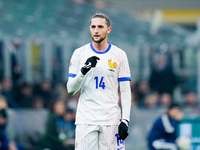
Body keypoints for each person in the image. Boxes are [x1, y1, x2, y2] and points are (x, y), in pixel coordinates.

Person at [67, 13, 132, 150]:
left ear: (108, 30)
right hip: (86, 120)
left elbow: (125, 90)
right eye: (93, 27)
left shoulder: (119, 55)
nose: (96, 30)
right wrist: (83, 71)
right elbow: (71, 89)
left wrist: (125, 120)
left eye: (100, 27)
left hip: (111, 120)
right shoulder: (79, 53)